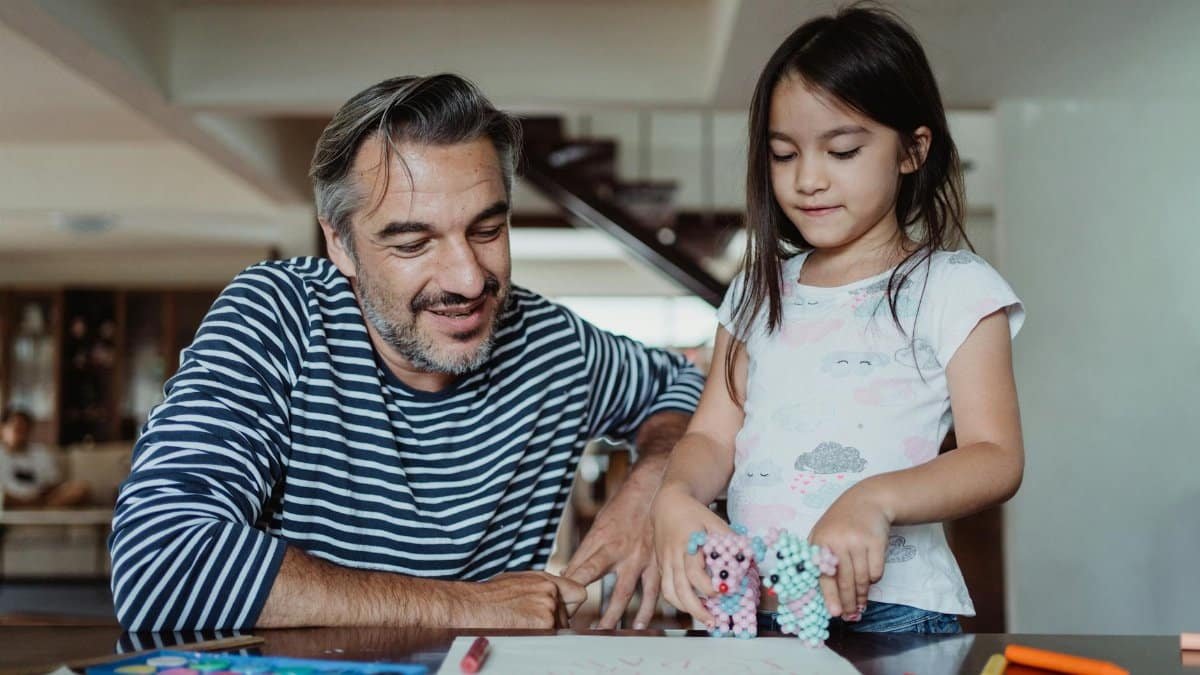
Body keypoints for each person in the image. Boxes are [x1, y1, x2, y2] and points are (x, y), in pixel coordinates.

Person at [109, 74, 704, 632]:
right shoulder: (280, 316)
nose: (469, 280)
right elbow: (159, 563)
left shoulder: (552, 346)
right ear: (340, 244)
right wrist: (466, 607)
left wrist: (654, 486)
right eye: (415, 242)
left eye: (487, 230)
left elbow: (689, 384)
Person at [651, 7, 1025, 635]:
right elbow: (713, 437)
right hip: (754, 606)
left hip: (896, 609)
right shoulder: (754, 290)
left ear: (912, 150)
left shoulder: (955, 287)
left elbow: (996, 457)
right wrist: (676, 497)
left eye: (843, 150)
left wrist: (873, 499)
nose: (808, 180)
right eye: (783, 153)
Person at [0, 408, 89, 508]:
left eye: (24, 429)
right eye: (16, 428)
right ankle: (37, 509)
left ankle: (37, 508)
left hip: (41, 499)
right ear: (2, 429)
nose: (20, 433)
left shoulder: (40, 452)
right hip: (11, 500)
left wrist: (41, 494)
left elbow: (53, 483)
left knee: (80, 489)